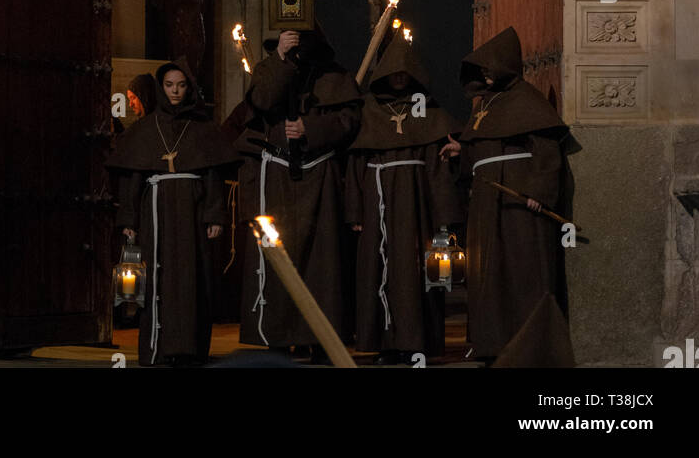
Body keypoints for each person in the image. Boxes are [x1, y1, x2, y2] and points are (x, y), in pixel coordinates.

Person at [441, 26, 573, 363]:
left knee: (522, 271)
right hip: (487, 202)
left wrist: (538, 192)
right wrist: (462, 151)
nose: (485, 75)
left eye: (489, 67)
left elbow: (547, 153)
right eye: (481, 70)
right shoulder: (484, 105)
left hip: (518, 202)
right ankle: (491, 343)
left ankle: (529, 343)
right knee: (488, 273)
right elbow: (482, 151)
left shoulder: (528, 101)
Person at [235, 27, 361, 359]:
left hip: (320, 177)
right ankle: (280, 336)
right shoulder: (268, 69)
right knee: (280, 256)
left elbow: (349, 121)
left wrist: (311, 129)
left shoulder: (335, 77)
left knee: (323, 263)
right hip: (276, 177)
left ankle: (321, 339)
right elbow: (262, 100)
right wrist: (280, 60)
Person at [107, 60, 238, 367]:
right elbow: (134, 176)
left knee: (194, 277)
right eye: (169, 85)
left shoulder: (203, 129)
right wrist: (129, 220)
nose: (175, 91)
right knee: (158, 276)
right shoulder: (146, 128)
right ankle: (158, 348)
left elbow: (212, 174)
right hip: (156, 209)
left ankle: (189, 348)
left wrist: (215, 215)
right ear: (161, 88)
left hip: (192, 210)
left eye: (180, 85)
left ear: (188, 87)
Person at [346, 34, 461, 364]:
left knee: (413, 269)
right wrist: (355, 210)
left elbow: (437, 162)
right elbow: (355, 163)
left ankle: (415, 341)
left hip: (414, 203)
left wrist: (443, 214)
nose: (399, 78)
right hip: (375, 198)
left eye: (403, 72)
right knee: (376, 267)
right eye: (392, 72)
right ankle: (383, 342)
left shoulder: (427, 108)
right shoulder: (368, 108)